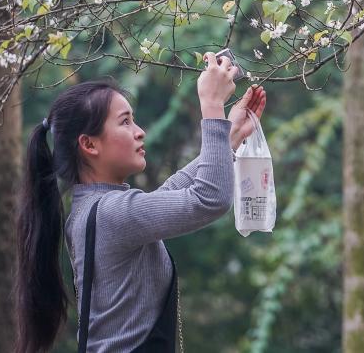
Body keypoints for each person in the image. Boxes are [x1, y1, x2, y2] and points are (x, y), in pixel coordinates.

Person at [13, 52, 267, 353]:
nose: (140, 132)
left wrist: (229, 136)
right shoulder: (110, 213)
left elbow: (169, 195)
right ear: (89, 144)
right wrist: (211, 106)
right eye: (125, 122)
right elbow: (209, 198)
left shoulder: (96, 209)